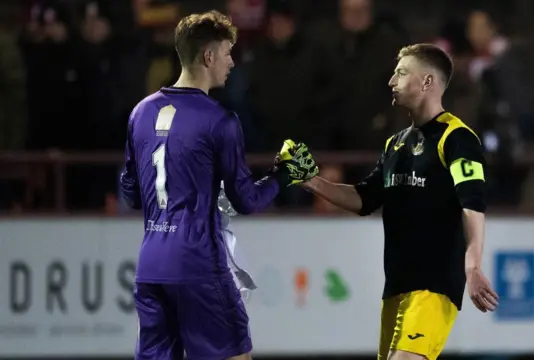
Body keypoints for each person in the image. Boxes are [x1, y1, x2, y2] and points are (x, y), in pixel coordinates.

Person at [119, 10, 318, 360]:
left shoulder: (141, 112)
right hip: (199, 267)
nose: (231, 62)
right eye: (227, 53)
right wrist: (285, 174)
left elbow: (131, 193)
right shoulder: (220, 120)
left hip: (151, 268)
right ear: (208, 56)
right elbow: (247, 200)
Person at [300, 43, 498, 360]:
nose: (392, 80)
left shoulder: (457, 138)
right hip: (396, 287)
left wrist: (472, 267)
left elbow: (472, 204)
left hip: (434, 286)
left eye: (401, 72)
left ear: (427, 82)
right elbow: (365, 198)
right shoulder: (396, 143)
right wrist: (311, 180)